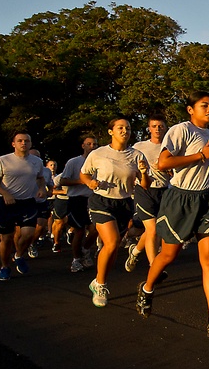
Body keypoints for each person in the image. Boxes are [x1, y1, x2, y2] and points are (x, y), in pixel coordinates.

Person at [135, 91, 209, 337]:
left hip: (208, 197)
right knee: (168, 254)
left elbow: (206, 162)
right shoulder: (181, 130)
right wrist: (201, 156)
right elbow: (163, 163)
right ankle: (146, 289)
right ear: (191, 109)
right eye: (204, 105)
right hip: (181, 199)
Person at [82, 118, 150, 307]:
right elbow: (84, 174)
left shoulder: (136, 155)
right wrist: (90, 183)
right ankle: (101, 284)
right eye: (120, 128)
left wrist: (143, 172)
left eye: (128, 128)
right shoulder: (99, 153)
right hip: (101, 201)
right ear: (111, 131)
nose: (125, 131)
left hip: (124, 203)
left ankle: (98, 279)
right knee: (111, 242)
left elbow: (145, 185)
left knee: (113, 247)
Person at [0, 132, 46, 281]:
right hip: (6, 203)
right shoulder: (3, 160)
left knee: (29, 234)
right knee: (6, 238)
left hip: (27, 202)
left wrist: (42, 188)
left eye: (26, 141)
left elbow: (40, 177)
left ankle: (18, 255)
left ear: (30, 144)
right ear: (14, 144)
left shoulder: (36, 161)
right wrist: (4, 193)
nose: (23, 143)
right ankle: (4, 267)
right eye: (20, 141)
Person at [126, 115, 170, 272]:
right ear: (149, 129)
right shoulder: (139, 146)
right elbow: (130, 167)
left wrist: (168, 169)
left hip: (165, 190)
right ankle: (154, 267)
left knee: (157, 229)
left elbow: (178, 171)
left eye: (161, 126)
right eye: (154, 126)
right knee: (152, 229)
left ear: (165, 128)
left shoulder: (171, 146)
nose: (158, 129)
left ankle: (135, 251)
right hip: (144, 189)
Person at [59, 136, 98, 272]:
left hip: (94, 199)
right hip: (77, 199)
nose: (92, 146)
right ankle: (76, 259)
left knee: (95, 229)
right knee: (79, 231)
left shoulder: (100, 161)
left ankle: (85, 250)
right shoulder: (74, 162)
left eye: (94, 144)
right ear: (83, 146)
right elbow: (63, 181)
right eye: (89, 144)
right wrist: (83, 181)